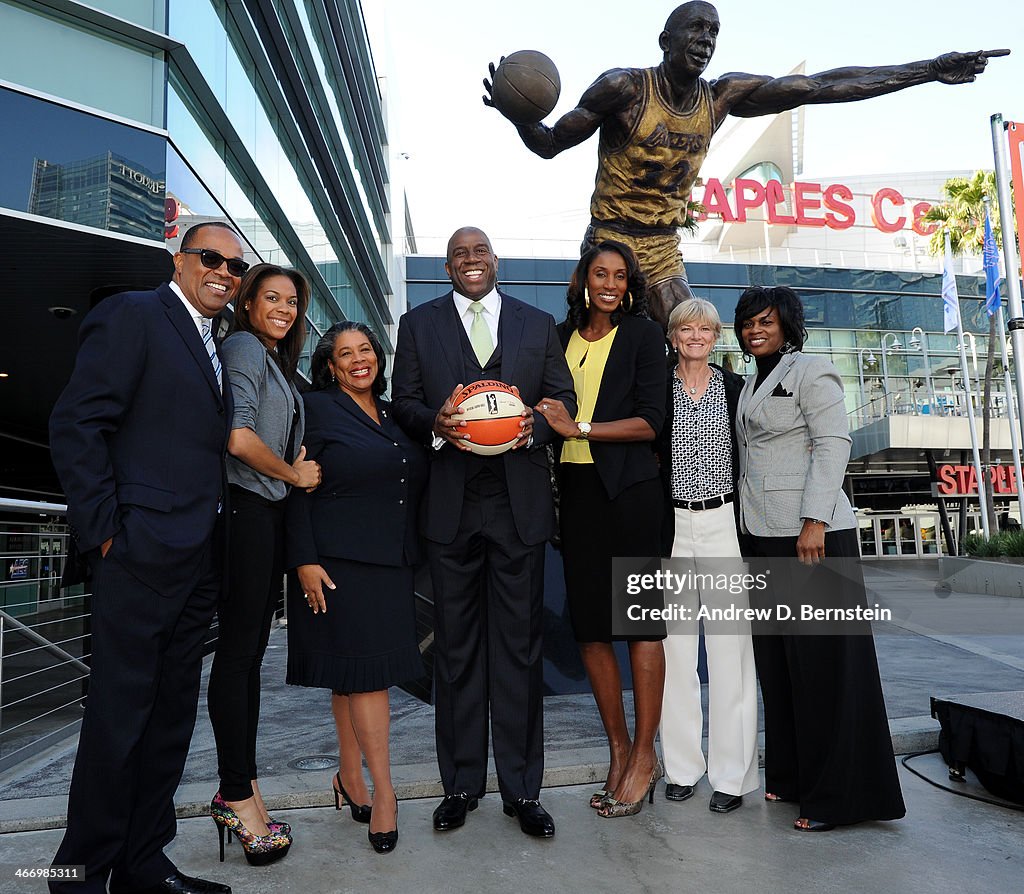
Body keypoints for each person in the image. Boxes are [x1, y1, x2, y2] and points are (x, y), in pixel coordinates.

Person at [484, 1, 1007, 328]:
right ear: (665, 40)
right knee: (594, 344)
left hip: (663, 247)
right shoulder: (623, 88)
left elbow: (821, 87)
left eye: (713, 31)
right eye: (694, 28)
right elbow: (550, 143)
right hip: (610, 238)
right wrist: (517, 115)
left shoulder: (721, 97)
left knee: (692, 339)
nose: (705, 39)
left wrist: (927, 71)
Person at [48, 222, 248, 894]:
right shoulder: (135, 314)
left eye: (236, 266)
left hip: (196, 558)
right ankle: (77, 876)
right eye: (211, 258)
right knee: (118, 719)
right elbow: (78, 423)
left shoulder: (215, 343)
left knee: (169, 720)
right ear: (180, 261)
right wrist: (106, 533)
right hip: (138, 553)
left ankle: (141, 863)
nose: (224, 271)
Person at [391, 226, 576, 838]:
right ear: (448, 267)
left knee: (520, 652)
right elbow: (405, 403)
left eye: (480, 252)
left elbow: (562, 398)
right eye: (460, 254)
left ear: (494, 260)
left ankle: (523, 791)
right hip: (451, 505)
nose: (471, 261)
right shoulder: (419, 325)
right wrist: (434, 421)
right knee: (458, 650)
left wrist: (537, 431)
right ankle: (462, 784)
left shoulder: (536, 322)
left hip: (517, 505)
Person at [733, 285, 906, 831]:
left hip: (812, 536)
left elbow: (834, 444)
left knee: (826, 669)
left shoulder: (813, 370)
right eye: (747, 323)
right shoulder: (750, 381)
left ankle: (839, 799)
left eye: (765, 321)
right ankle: (791, 775)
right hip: (761, 533)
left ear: (786, 324)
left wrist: (816, 521)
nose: (755, 330)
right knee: (782, 667)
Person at [534, 240, 667, 818]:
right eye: (599, 273)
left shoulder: (641, 336)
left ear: (629, 283)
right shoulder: (558, 338)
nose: (609, 283)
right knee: (590, 630)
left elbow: (649, 423)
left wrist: (578, 427)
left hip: (631, 496)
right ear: (583, 279)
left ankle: (645, 755)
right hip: (578, 497)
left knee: (640, 625)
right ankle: (617, 748)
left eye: (619, 275)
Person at [285, 321, 427, 855]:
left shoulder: (394, 415)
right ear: (330, 365)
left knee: (351, 676)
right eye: (345, 353)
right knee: (368, 679)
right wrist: (302, 559)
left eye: (365, 349)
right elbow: (294, 483)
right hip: (336, 564)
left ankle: (350, 775)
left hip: (391, 563)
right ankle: (385, 795)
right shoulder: (314, 408)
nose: (358, 359)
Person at [206, 264, 320, 864]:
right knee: (238, 658)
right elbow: (239, 438)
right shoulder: (246, 346)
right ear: (247, 305)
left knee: (246, 658)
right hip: (248, 511)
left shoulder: (274, 359)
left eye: (292, 300)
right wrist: (293, 474)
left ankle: (244, 789)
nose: (284, 307)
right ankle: (234, 794)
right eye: (271, 297)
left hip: (264, 514)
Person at [656, 298, 758, 814]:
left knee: (729, 653)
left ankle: (731, 777)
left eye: (705, 328)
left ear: (716, 337)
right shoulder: (656, 386)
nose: (695, 335)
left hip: (722, 524)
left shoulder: (735, 388)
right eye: (686, 327)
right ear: (673, 336)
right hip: (671, 525)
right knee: (675, 653)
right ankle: (681, 769)